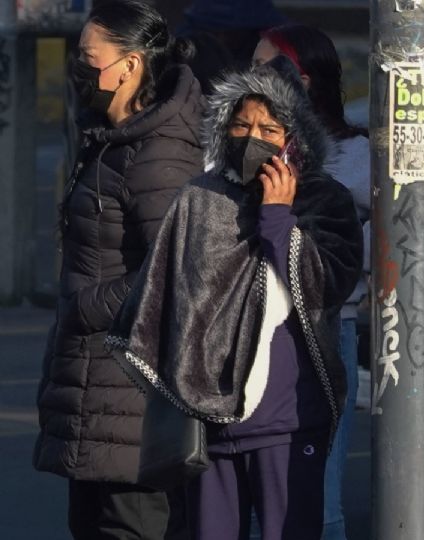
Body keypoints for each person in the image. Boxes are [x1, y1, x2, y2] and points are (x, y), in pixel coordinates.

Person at [107, 56, 364, 540]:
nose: (252, 137)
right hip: (209, 426)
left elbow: (324, 285)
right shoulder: (200, 197)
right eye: (241, 124)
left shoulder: (324, 201)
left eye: (269, 128)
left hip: (289, 421)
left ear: (294, 139)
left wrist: (278, 218)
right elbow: (164, 300)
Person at [33, 1, 204, 537]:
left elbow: (179, 268)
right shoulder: (111, 139)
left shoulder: (157, 151)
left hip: (132, 394)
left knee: (128, 526)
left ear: (129, 65)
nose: (79, 69)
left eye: (89, 57)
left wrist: (86, 308)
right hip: (99, 389)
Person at [253, 24, 371, 540]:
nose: (249, 80)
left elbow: (413, 234)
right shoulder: (242, 152)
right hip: (254, 331)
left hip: (326, 329)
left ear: (297, 80)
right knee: (259, 498)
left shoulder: (358, 156)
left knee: (317, 497)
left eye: (262, 68)